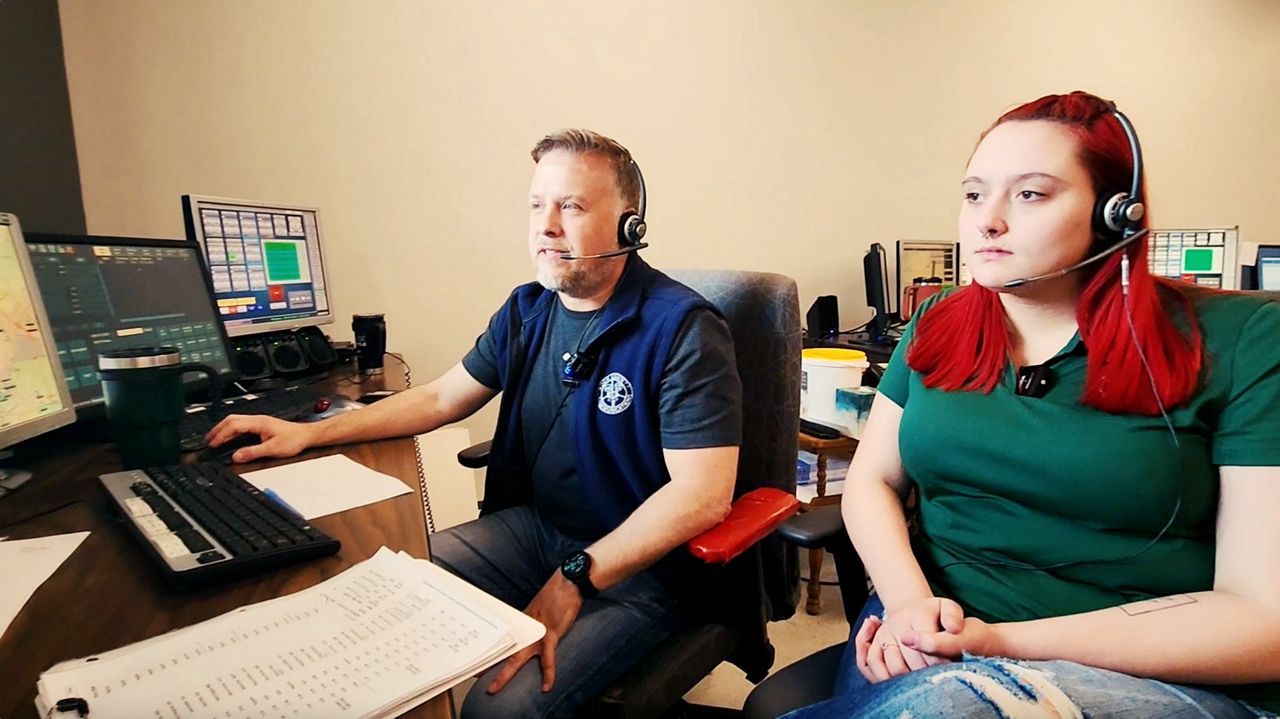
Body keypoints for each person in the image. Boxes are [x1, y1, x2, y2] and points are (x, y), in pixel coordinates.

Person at [205, 129, 743, 719]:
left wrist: (574, 578)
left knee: (496, 709)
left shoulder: (683, 329)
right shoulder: (527, 309)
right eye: (537, 205)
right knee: (377, 594)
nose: (546, 227)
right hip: (536, 532)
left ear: (629, 226)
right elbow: (441, 397)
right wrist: (308, 432)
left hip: (642, 572)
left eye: (571, 206)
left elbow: (702, 496)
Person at [784, 92, 1280, 718]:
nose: (987, 221)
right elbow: (873, 480)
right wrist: (910, 605)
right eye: (974, 195)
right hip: (930, 633)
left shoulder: (1246, 340)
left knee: (951, 707)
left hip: (1149, 674)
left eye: (1030, 194)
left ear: (1115, 216)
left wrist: (997, 645)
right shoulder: (938, 320)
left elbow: (1265, 620)